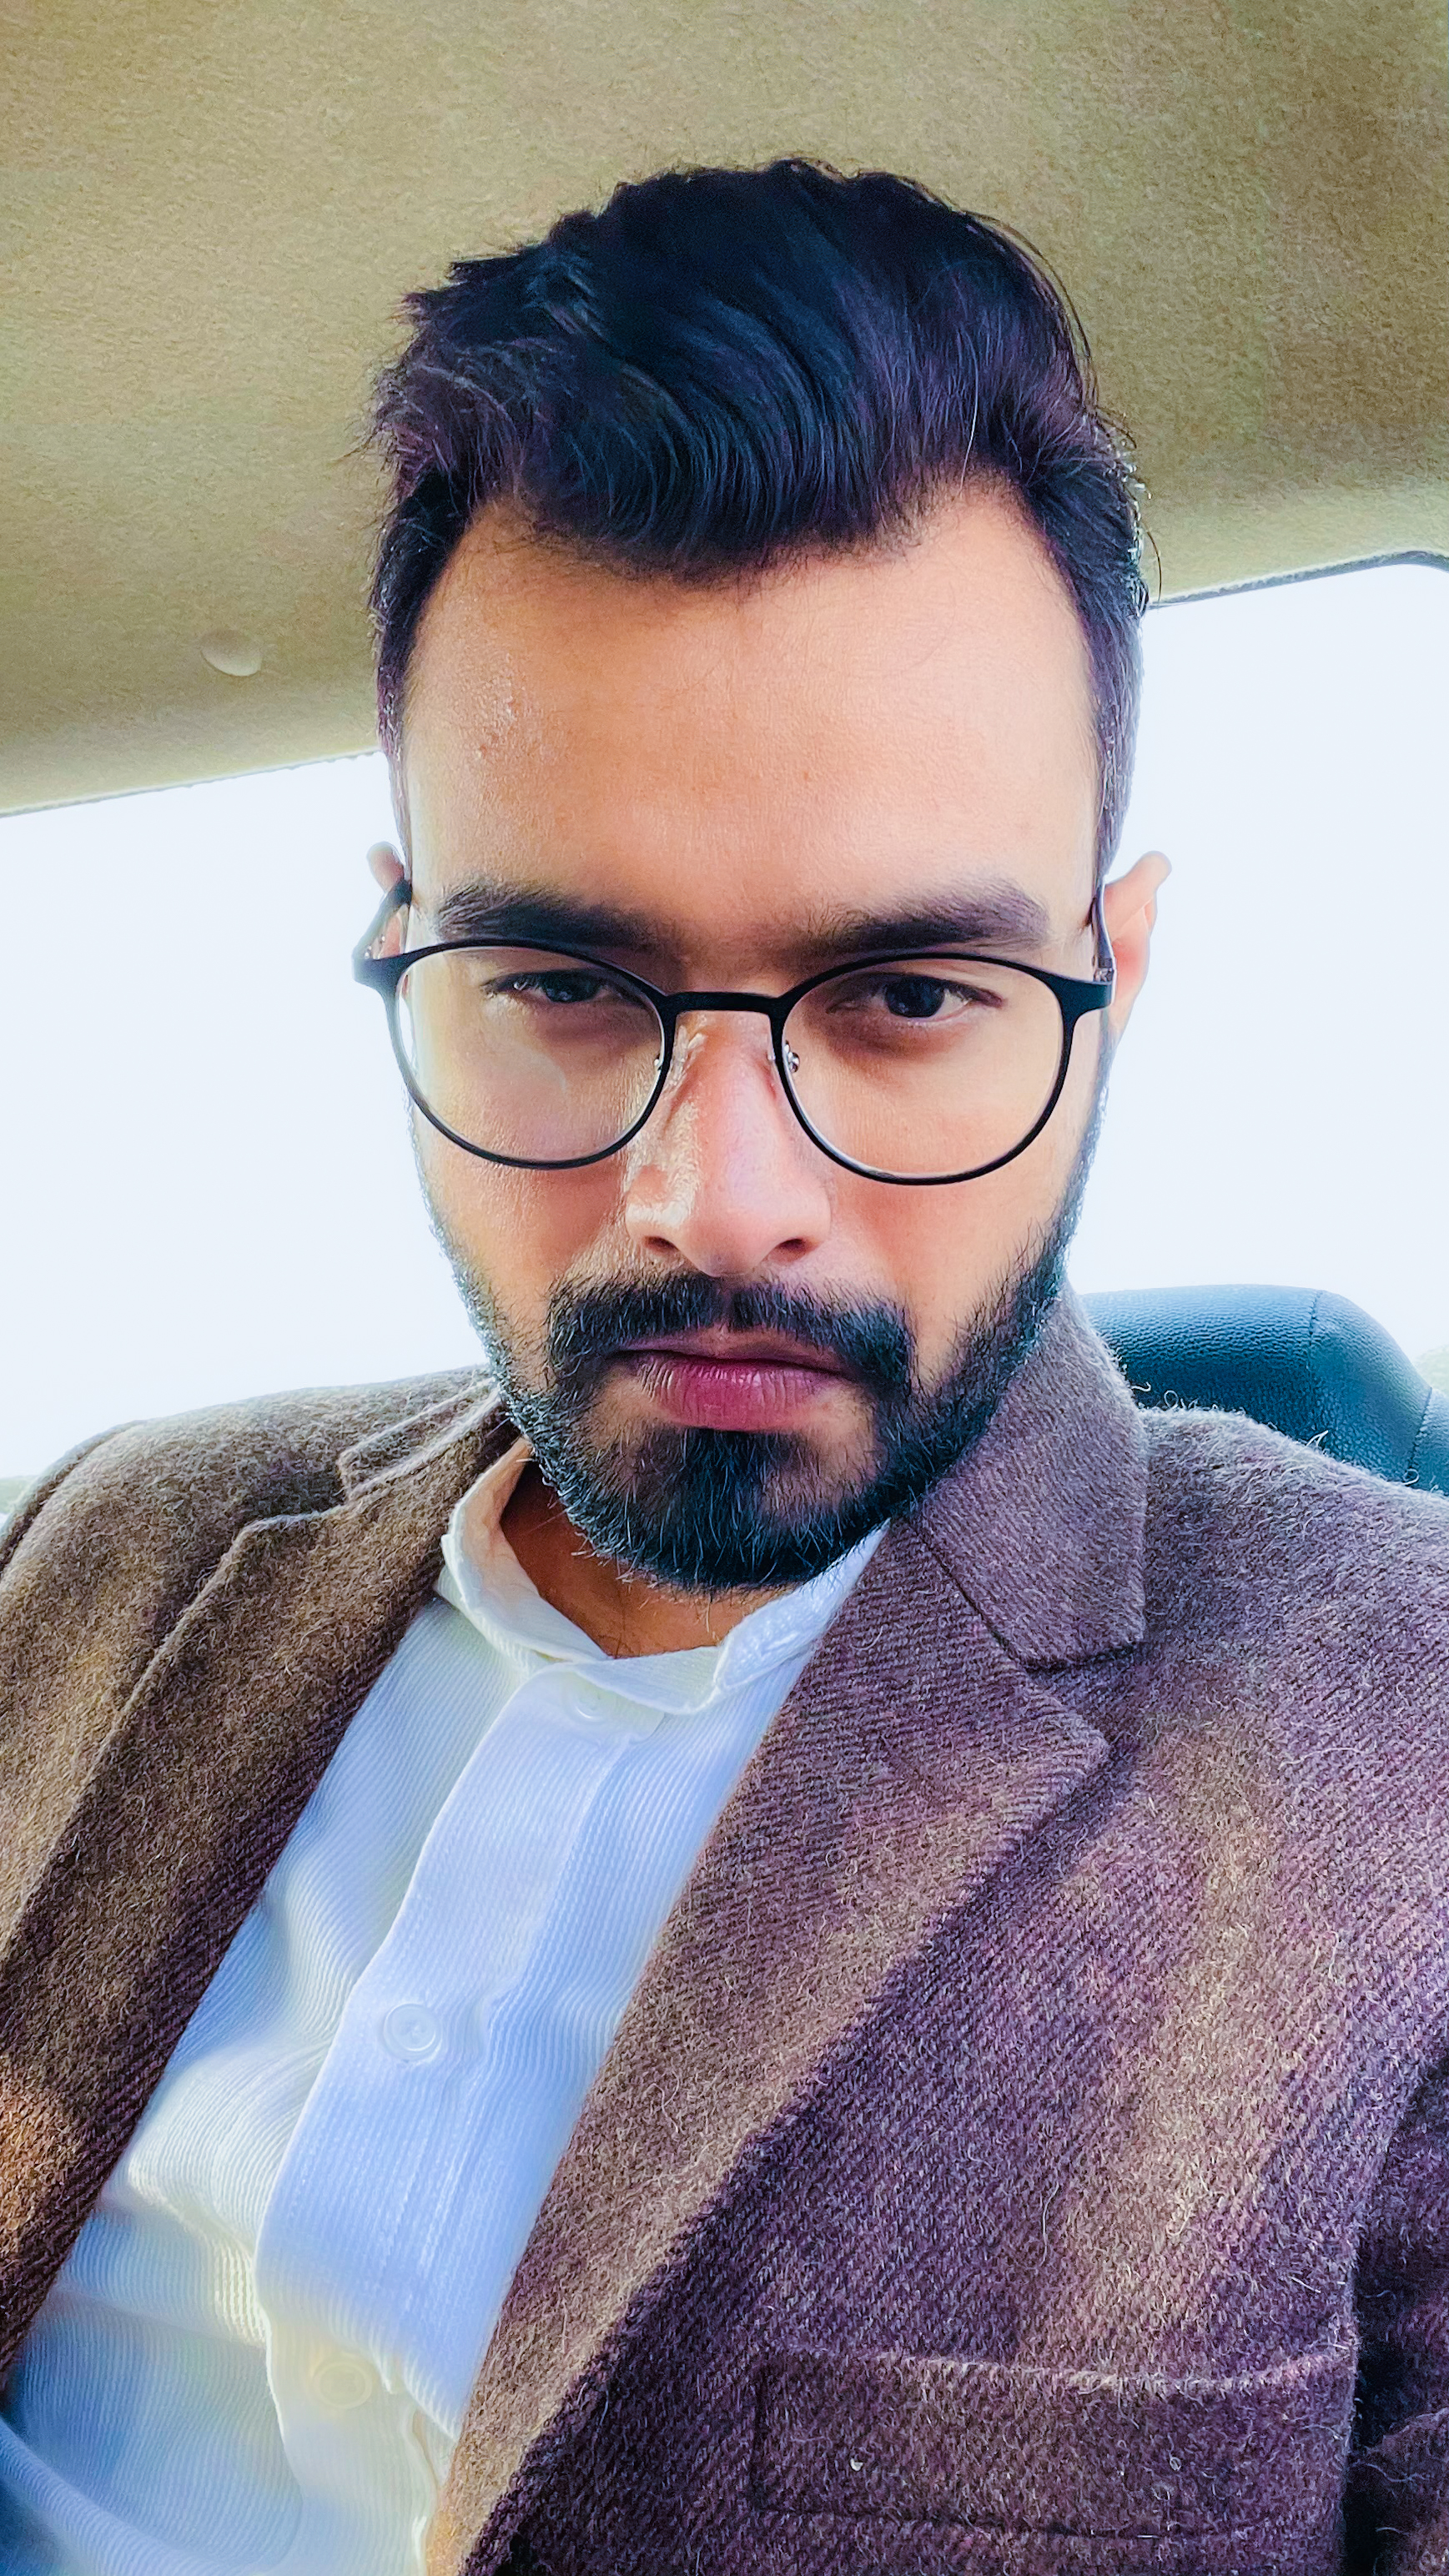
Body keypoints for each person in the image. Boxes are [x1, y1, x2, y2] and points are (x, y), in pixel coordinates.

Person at [0, 158, 1445, 2576]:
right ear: (400, 949)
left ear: (1110, 982)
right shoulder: (85, 1558)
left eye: (907, 997)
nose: (717, 1196)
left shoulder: (1412, 1759)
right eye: (565, 986)